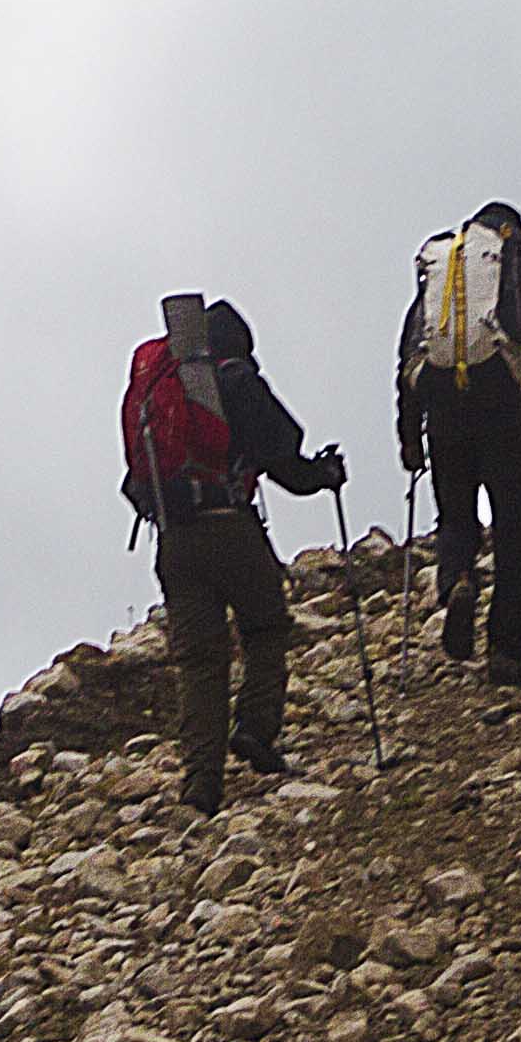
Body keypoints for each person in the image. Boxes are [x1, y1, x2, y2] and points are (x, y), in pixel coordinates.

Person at [119, 297, 348, 814]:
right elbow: (283, 452)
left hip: (174, 539)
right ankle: (255, 730)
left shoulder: (157, 384)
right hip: (230, 528)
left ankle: (202, 785)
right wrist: (323, 475)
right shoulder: (235, 379)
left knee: (201, 662)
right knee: (265, 627)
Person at [395, 202, 521, 688]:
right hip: (508, 419)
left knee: (457, 518)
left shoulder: (435, 291)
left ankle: (457, 580)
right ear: (512, 238)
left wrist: (409, 441)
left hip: (443, 420)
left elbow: (409, 364)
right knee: (514, 530)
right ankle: (506, 651)